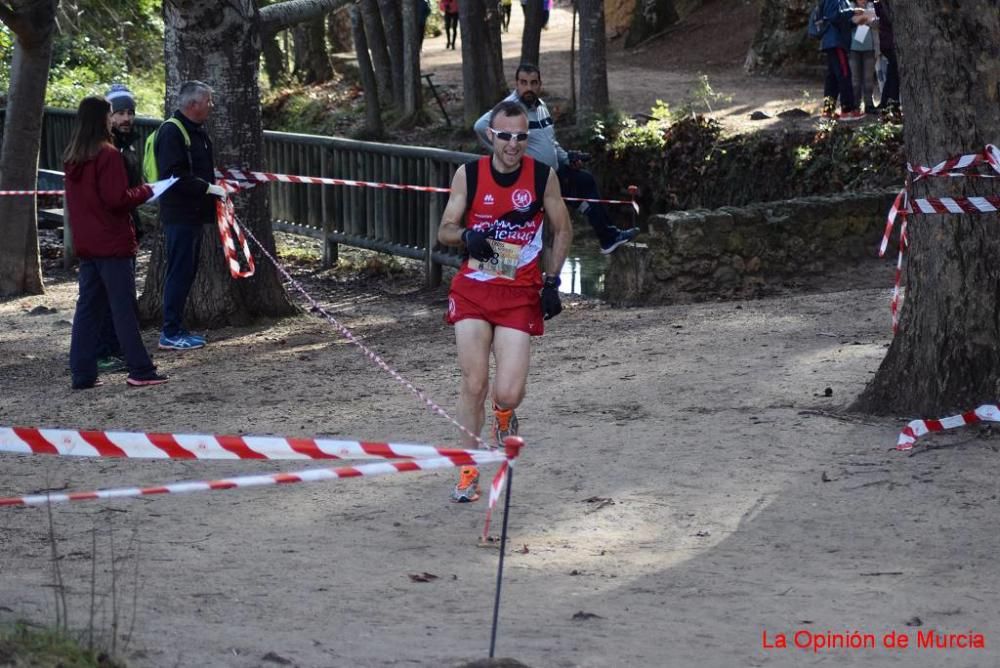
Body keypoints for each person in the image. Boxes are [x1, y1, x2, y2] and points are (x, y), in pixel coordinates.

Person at [438, 100, 572, 502]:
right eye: (505, 136)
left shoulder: (543, 177)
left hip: (519, 292)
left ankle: (503, 415)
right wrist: (465, 237)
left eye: (521, 137)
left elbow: (563, 230)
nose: (513, 145)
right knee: (474, 382)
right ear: (491, 135)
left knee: (508, 392)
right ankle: (467, 470)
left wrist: (552, 282)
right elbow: (444, 229)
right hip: (473, 290)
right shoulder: (470, 174)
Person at [474, 63, 639, 254]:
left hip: (552, 172)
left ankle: (608, 238)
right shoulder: (510, 108)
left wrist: (566, 158)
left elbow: (550, 142)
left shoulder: (541, 106)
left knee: (584, 181)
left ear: (540, 84)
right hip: (529, 177)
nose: (528, 88)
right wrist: (508, 156)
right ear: (516, 84)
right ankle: (509, 265)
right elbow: (480, 126)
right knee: (527, 232)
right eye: (523, 83)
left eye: (533, 83)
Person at [63, 96, 167, 390]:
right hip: (111, 242)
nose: (114, 119)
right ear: (101, 119)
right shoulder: (107, 155)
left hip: (88, 244)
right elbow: (116, 200)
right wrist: (146, 191)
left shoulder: (74, 156)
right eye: (111, 113)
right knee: (122, 309)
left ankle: (82, 373)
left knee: (88, 309)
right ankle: (140, 369)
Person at [154, 80, 226, 351]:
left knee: (186, 271)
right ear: (193, 104)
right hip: (180, 214)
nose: (211, 106)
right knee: (179, 272)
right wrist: (207, 188)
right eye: (208, 101)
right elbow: (174, 175)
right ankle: (170, 331)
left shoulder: (197, 131)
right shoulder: (173, 132)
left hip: (195, 213)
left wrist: (214, 184)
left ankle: (176, 327)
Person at [93, 83, 144, 373]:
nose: (126, 118)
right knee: (105, 296)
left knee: (120, 294)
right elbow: (115, 195)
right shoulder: (105, 150)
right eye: (120, 113)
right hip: (108, 234)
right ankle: (102, 350)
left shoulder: (130, 146)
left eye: (130, 112)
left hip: (128, 228)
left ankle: (113, 347)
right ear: (108, 116)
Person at [819, 0, 864, 121]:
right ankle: (847, 110)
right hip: (835, 42)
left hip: (836, 41)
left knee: (832, 77)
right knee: (844, 74)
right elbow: (833, 16)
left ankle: (828, 111)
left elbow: (841, 21)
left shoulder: (844, 1)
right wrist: (853, 11)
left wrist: (856, 22)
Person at [848, 0, 877, 114]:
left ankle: (869, 104)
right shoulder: (850, 7)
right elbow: (849, 21)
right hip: (854, 48)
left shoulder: (872, 6)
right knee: (855, 79)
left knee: (868, 79)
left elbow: (876, 22)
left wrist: (863, 19)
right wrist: (861, 19)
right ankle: (856, 105)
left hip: (869, 48)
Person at [873, 0, 899, 114]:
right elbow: (891, 19)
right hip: (890, 43)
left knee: (891, 74)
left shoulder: (882, 4)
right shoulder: (885, 5)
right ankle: (892, 106)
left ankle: (886, 105)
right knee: (894, 77)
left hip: (887, 43)